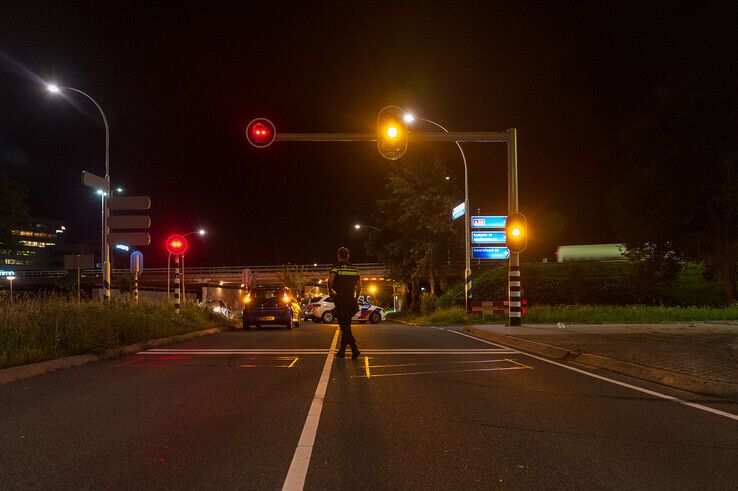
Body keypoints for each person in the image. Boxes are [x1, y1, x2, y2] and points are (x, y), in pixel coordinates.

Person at [328, 246, 361, 358]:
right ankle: (342, 351)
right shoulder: (354, 270)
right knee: (346, 324)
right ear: (348, 256)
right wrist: (356, 299)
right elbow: (359, 286)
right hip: (351, 300)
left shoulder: (336, 268)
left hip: (340, 299)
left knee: (344, 326)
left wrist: (330, 291)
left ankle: (355, 349)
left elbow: (330, 280)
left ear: (338, 256)